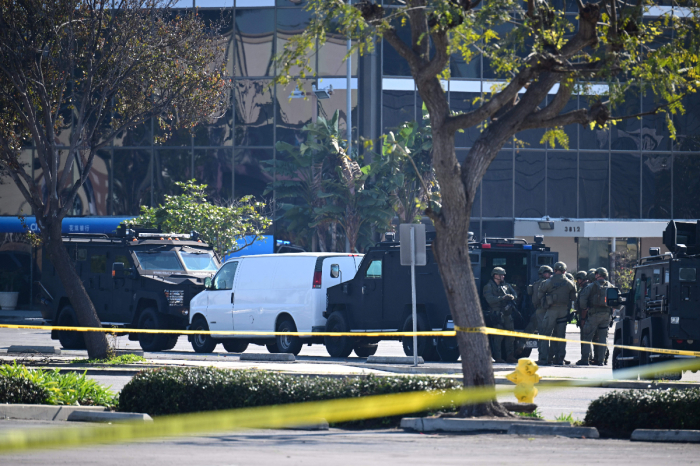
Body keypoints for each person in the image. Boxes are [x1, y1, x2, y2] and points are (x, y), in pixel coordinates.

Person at [537, 261, 576, 365]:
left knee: (546, 334)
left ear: (554, 270)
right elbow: (573, 297)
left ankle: (544, 359)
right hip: (563, 310)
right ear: (565, 271)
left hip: (551, 310)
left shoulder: (548, 281)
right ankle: (560, 359)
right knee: (561, 336)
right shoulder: (570, 283)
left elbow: (540, 295)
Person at [577, 267, 613, 366]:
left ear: (597, 275)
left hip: (593, 314)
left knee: (587, 336)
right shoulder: (611, 286)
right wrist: (611, 309)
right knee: (603, 338)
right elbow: (618, 302)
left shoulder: (591, 286)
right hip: (606, 315)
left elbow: (582, 299)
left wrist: (585, 309)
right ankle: (601, 360)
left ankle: (585, 360)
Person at [483, 267, 518, 363]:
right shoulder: (488, 286)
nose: (503, 276)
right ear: (495, 275)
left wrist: (511, 297)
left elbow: (515, 295)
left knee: (510, 335)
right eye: (501, 274)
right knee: (498, 337)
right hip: (496, 314)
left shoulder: (506, 285)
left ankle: (510, 356)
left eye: (503, 275)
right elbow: (490, 300)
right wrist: (502, 298)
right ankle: (498, 357)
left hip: (507, 313)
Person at [526, 265, 553, 365]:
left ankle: (545, 357)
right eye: (547, 273)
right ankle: (544, 357)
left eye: (550, 273)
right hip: (543, 310)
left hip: (544, 310)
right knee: (543, 334)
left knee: (544, 334)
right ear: (542, 274)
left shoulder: (541, 283)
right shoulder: (543, 284)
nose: (549, 275)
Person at [574, 271, 592, 363]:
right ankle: (593, 358)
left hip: (586, 317)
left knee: (585, 338)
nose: (577, 282)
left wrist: (583, 319)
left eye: (578, 279)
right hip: (591, 316)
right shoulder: (591, 287)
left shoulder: (585, 289)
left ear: (581, 279)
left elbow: (584, 306)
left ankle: (585, 359)